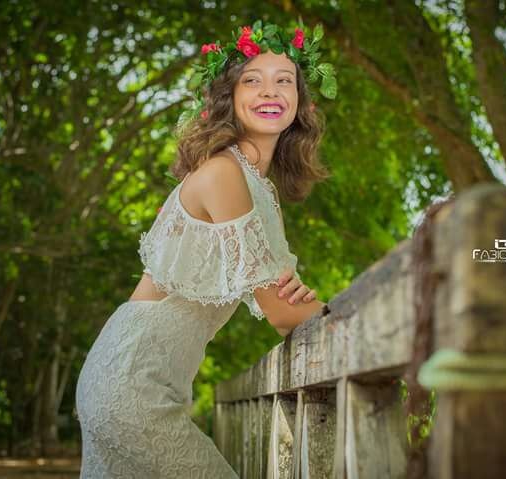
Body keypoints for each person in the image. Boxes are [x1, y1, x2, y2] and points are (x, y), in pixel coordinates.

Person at [75, 20, 336, 478]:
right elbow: (281, 311)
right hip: (132, 383)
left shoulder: (259, 188)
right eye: (252, 80)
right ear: (228, 97)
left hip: (142, 380)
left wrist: (303, 301)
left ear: (299, 100)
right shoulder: (224, 174)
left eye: (284, 80)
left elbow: (287, 298)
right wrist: (346, 315)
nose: (269, 91)